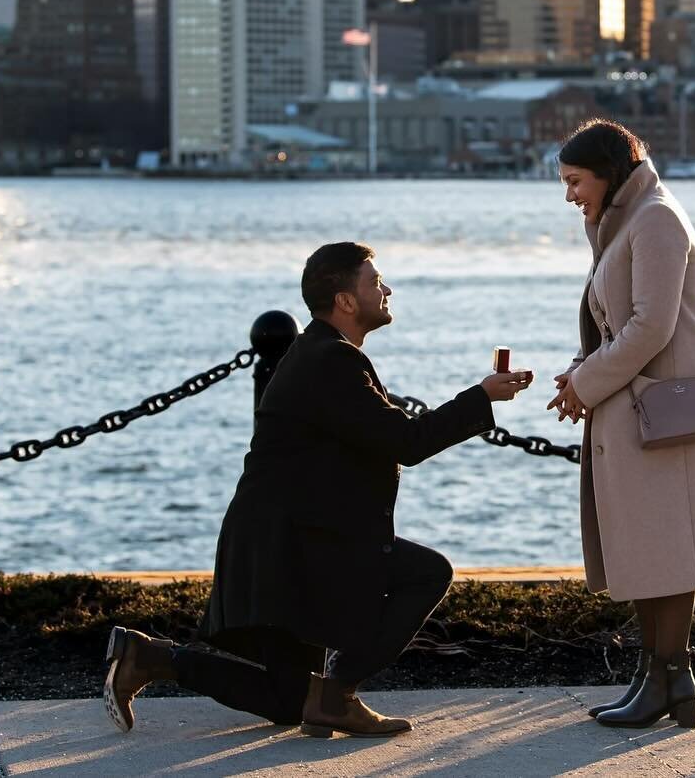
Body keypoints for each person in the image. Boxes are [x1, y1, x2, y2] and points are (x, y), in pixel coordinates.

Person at [103, 242, 533, 738]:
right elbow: (406, 442)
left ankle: (150, 657)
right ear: (346, 301)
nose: (386, 289)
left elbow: (385, 433)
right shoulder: (330, 362)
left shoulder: (323, 354)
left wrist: (477, 400)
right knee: (426, 574)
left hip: (288, 543)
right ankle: (338, 693)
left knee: (288, 703)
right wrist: (481, 397)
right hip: (291, 549)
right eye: (375, 282)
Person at [546, 119, 695, 729]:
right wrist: (581, 371)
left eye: (575, 181)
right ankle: (655, 675)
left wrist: (586, 382)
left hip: (660, 419)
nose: (570, 194)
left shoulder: (655, 218)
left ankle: (670, 676)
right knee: (646, 552)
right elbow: (619, 326)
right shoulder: (625, 221)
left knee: (666, 553)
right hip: (637, 414)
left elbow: (651, 327)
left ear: (608, 173)